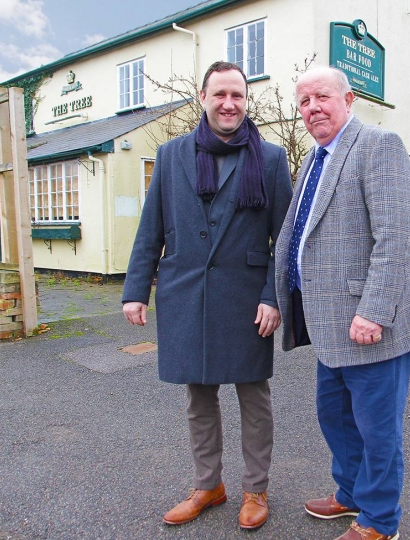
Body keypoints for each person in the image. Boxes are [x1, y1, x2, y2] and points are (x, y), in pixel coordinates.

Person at [122, 61, 292, 531]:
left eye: (237, 95)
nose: (229, 103)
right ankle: (208, 485)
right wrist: (136, 290)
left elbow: (287, 238)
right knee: (199, 396)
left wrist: (274, 296)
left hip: (246, 298)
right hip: (186, 294)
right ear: (203, 97)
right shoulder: (172, 154)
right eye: (220, 94)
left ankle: (255, 488)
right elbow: (150, 227)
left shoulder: (272, 159)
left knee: (253, 396)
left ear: (246, 100)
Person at [274, 66, 410, 540]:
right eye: (303, 101)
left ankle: (381, 521)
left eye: (322, 96)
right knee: (336, 417)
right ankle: (350, 494)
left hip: (368, 322)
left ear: (348, 98)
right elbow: (299, 235)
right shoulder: (317, 158)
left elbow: (396, 238)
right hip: (328, 321)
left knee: (377, 429)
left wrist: (375, 310)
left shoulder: (379, 146)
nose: (312, 107)